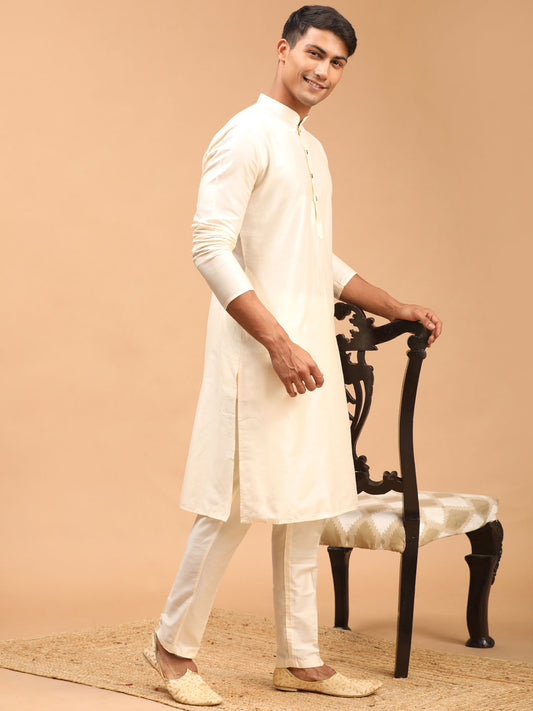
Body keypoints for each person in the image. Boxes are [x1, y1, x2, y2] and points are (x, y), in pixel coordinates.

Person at [143, 5, 442, 706]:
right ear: (283, 49)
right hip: (259, 356)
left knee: (305, 503)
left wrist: (393, 303)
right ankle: (171, 648)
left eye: (337, 63)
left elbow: (317, 258)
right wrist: (276, 341)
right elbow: (209, 248)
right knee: (231, 507)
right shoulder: (247, 134)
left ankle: (300, 659)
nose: (323, 71)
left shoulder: (311, 149)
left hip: (310, 359)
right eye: (314, 54)